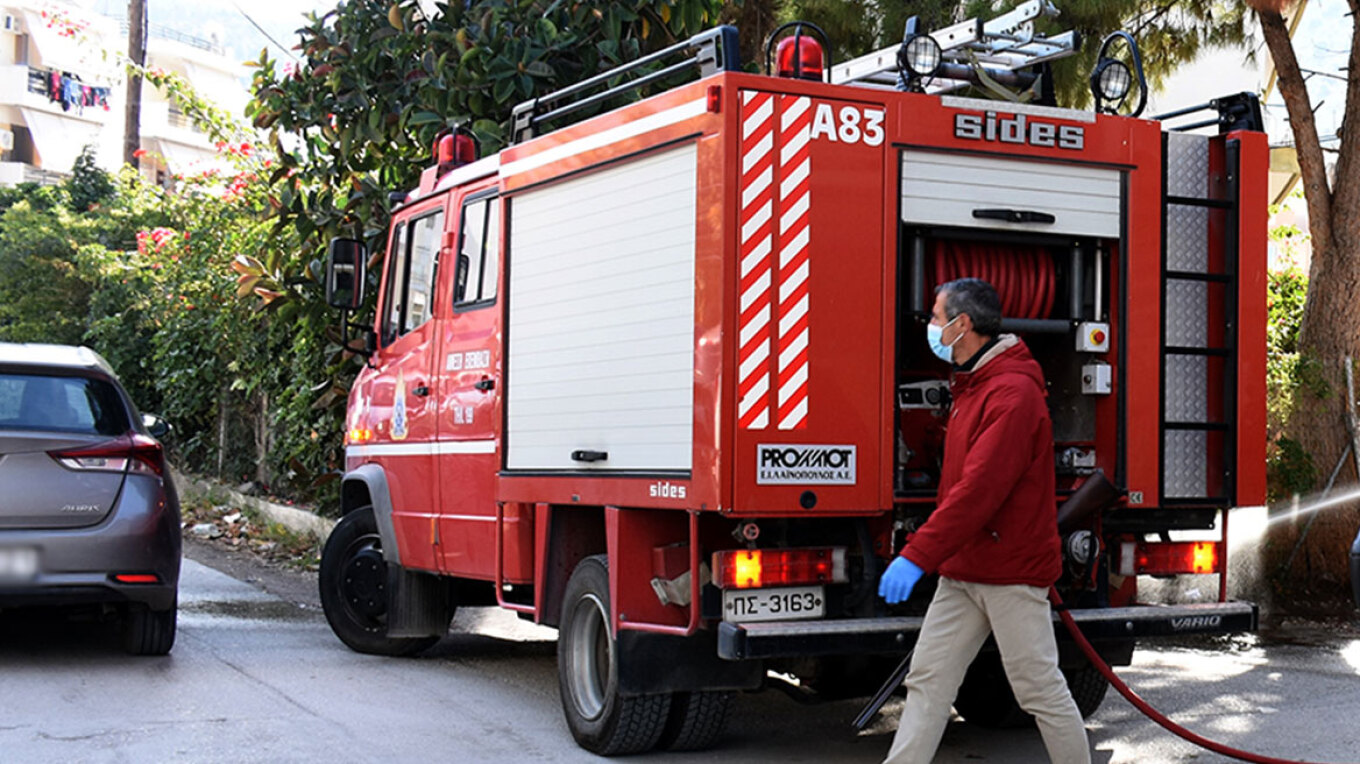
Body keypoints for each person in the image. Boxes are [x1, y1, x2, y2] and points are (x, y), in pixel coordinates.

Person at [878, 278, 1090, 764]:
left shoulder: (1012, 395)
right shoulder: (975, 385)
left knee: (1037, 689)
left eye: (936, 317)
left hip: (1009, 573)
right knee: (928, 682)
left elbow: (979, 493)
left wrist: (916, 556)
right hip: (965, 567)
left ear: (962, 324)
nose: (930, 327)